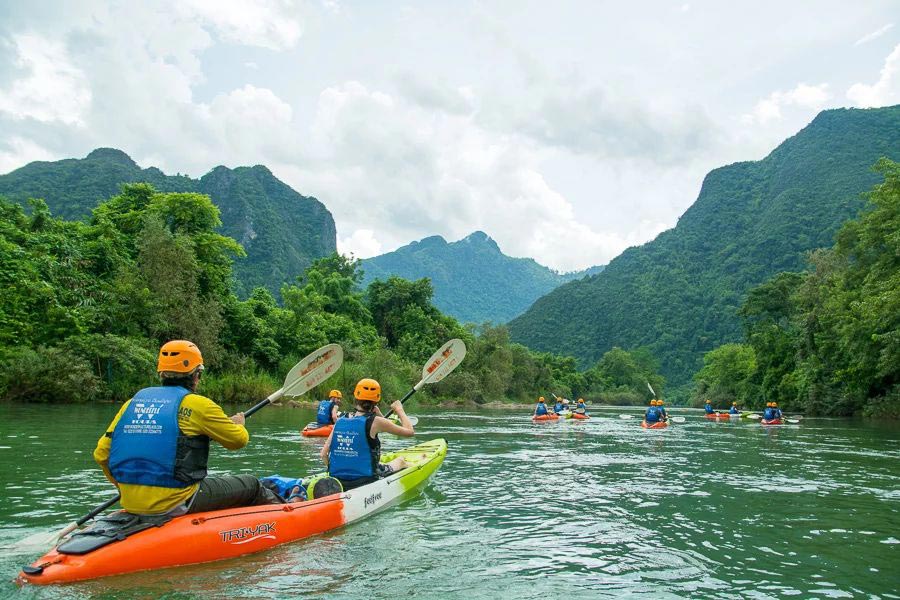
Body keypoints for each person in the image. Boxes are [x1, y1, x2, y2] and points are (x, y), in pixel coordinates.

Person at [94, 340, 281, 516]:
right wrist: (239, 425)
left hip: (130, 501)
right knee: (252, 485)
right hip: (178, 500)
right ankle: (285, 514)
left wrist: (125, 489)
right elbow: (238, 441)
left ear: (162, 373)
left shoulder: (131, 404)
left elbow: (102, 454)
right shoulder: (199, 405)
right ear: (197, 375)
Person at [322, 378, 415, 491]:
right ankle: (403, 464)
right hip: (365, 481)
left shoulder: (340, 420)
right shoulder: (376, 421)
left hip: (337, 481)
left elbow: (323, 454)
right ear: (376, 401)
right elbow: (410, 432)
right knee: (400, 461)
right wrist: (399, 410)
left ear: (356, 397)